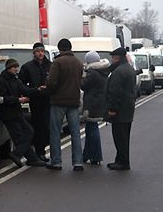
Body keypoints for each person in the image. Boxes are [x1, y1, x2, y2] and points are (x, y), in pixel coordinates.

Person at [0, 58, 46, 168]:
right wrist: (18, 100)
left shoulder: (15, 79)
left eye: (17, 67)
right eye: (14, 67)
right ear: (9, 68)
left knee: (29, 132)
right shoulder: (1, 81)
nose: (17, 69)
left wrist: (37, 89)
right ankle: (31, 159)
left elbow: (25, 90)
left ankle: (17, 154)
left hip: (16, 112)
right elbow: (2, 98)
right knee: (20, 136)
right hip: (8, 114)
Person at [46, 38, 84, 171]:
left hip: (58, 101)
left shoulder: (57, 62)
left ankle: (56, 161)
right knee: (75, 133)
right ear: (70, 48)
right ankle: (78, 162)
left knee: (55, 132)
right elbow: (80, 81)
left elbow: (51, 82)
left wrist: (50, 91)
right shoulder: (78, 62)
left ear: (60, 49)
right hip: (74, 100)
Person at [19, 42, 51, 162]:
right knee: (38, 126)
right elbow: (21, 84)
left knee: (48, 127)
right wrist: (32, 91)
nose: (40, 53)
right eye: (38, 51)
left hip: (48, 99)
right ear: (34, 53)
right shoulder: (28, 67)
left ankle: (44, 148)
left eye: (42, 51)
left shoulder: (50, 65)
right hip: (36, 100)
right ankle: (39, 152)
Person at [106, 47, 136, 171]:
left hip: (120, 109)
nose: (111, 60)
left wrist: (112, 108)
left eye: (113, 57)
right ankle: (120, 160)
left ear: (116, 58)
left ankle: (123, 162)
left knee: (119, 137)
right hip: (128, 108)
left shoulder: (118, 72)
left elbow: (115, 92)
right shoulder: (129, 69)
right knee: (125, 136)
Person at [81, 51, 110, 165]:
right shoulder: (103, 71)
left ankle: (96, 155)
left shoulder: (93, 73)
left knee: (92, 130)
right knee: (91, 129)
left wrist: (80, 78)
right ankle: (88, 155)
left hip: (91, 104)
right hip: (99, 103)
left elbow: (83, 85)